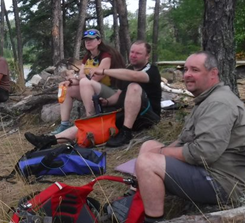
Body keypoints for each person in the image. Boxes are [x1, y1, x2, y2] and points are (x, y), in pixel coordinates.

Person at [134, 52, 245, 223]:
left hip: (223, 181)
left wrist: (162, 152)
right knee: (148, 146)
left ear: (213, 74)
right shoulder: (207, 99)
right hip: (208, 170)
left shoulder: (219, 104)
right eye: (186, 69)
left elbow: (203, 154)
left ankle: (153, 219)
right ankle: (140, 199)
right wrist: (158, 152)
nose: (187, 75)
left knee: (147, 162)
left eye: (195, 70)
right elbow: (184, 140)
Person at [24, 40, 161, 148]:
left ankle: (126, 132)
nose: (133, 56)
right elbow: (119, 95)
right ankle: (49, 141)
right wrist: (107, 102)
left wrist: (104, 71)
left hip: (147, 116)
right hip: (127, 116)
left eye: (138, 53)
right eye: (132, 52)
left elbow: (135, 76)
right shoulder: (128, 69)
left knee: (134, 86)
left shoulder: (152, 70)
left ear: (147, 56)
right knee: (90, 125)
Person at [51, 29, 125, 135]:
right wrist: (71, 81)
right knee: (67, 88)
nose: (88, 42)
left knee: (85, 82)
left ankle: (90, 120)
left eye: (91, 39)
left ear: (99, 41)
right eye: (86, 40)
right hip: (95, 89)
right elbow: (82, 76)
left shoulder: (107, 56)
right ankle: (64, 125)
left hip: (113, 93)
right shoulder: (88, 57)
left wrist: (82, 78)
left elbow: (94, 78)